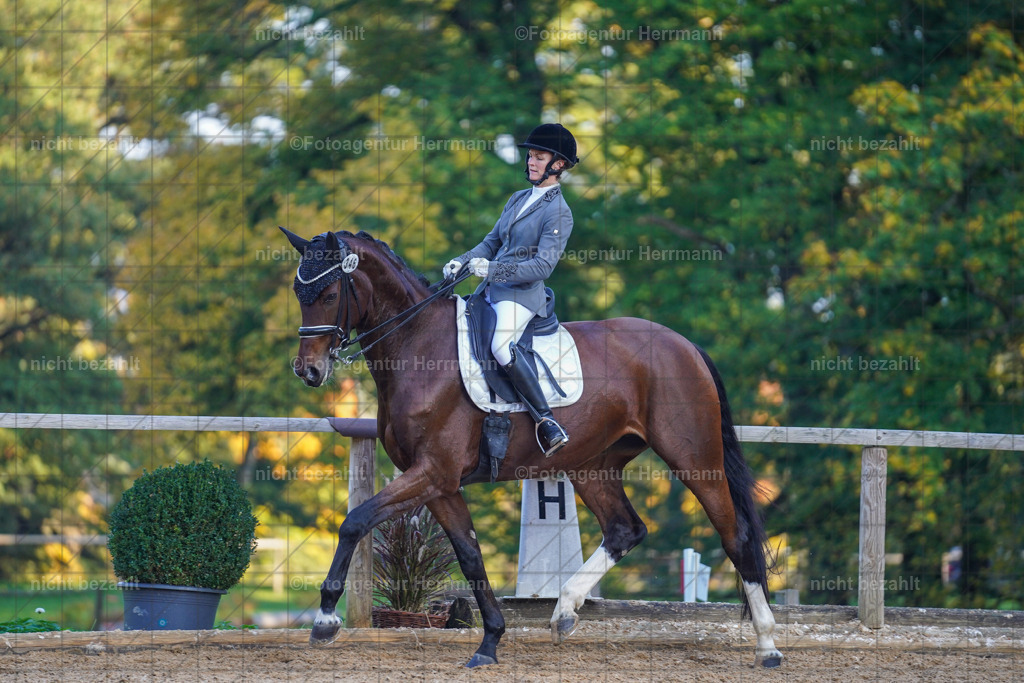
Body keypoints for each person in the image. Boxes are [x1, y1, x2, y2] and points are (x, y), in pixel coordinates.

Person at [442, 123, 578, 456]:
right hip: (490, 289)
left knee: (502, 345)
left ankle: (546, 421)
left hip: (522, 295)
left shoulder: (559, 211)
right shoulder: (518, 198)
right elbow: (490, 242)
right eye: (530, 156)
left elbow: (542, 267)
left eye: (539, 157)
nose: (531, 162)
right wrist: (461, 261)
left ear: (558, 164)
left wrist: (493, 269)